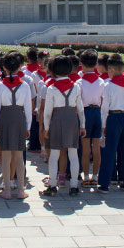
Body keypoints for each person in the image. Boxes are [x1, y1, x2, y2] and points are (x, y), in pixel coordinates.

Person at [40, 55, 85, 197]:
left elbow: (47, 112)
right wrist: (83, 124)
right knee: (73, 154)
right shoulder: (76, 86)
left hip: (57, 120)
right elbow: (80, 108)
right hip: (72, 119)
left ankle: (52, 185)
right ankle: (74, 186)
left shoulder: (51, 88)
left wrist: (46, 128)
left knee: (54, 155)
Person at [0, 51, 32, 200]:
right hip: (20, 119)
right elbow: (28, 108)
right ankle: (21, 189)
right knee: (19, 156)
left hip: (5, 119)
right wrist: (28, 126)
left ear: (4, 68)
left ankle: (7, 189)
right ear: (19, 67)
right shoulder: (25, 86)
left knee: (6, 155)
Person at [98, 54, 124, 194]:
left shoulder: (108, 85)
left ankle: (105, 183)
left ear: (110, 69)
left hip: (113, 117)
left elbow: (104, 108)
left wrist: (103, 124)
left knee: (109, 151)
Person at [78, 49, 104, 188]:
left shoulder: (80, 82)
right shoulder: (101, 81)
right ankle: (95, 176)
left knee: (85, 147)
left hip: (85, 113)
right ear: (95, 64)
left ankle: (86, 176)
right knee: (97, 147)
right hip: (97, 113)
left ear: (81, 64)